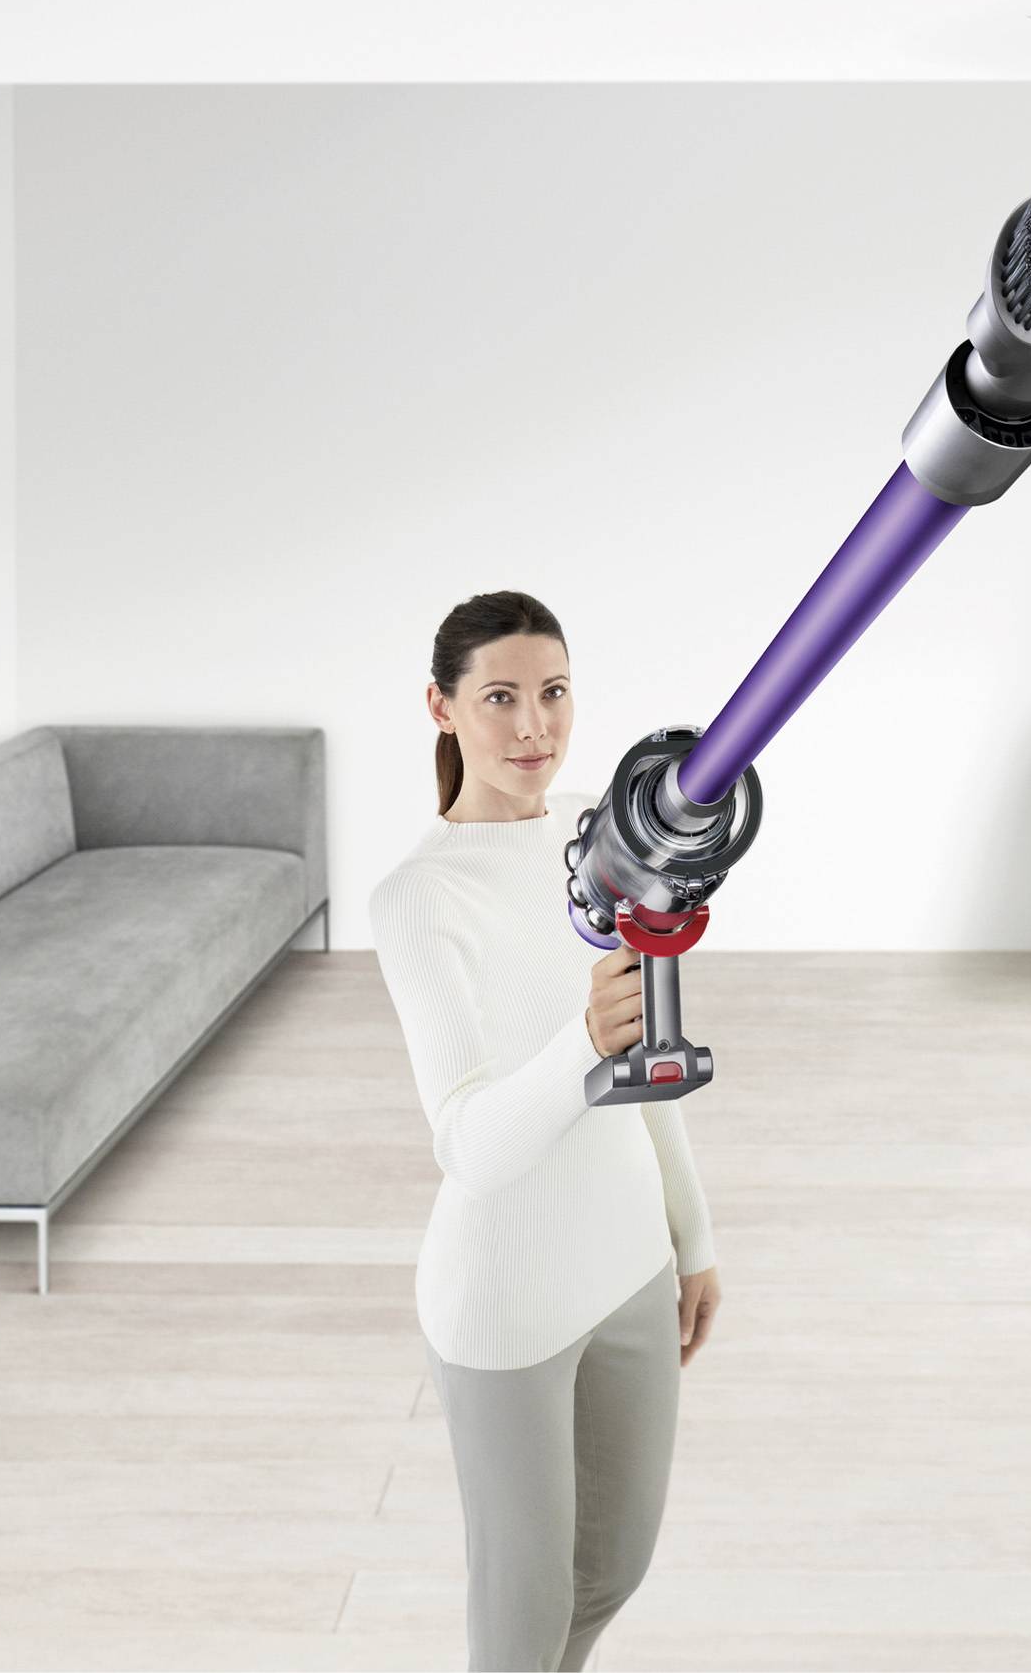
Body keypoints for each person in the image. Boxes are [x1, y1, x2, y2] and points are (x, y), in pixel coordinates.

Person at [371, 588, 723, 1673]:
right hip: (504, 1305)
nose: (534, 727)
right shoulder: (417, 898)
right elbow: (470, 1142)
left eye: (555, 693)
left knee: (612, 1568)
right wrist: (579, 1038)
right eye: (502, 698)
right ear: (441, 706)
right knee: (519, 1616)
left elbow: (644, 1063)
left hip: (626, 1266)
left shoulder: (597, 840)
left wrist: (693, 1237)